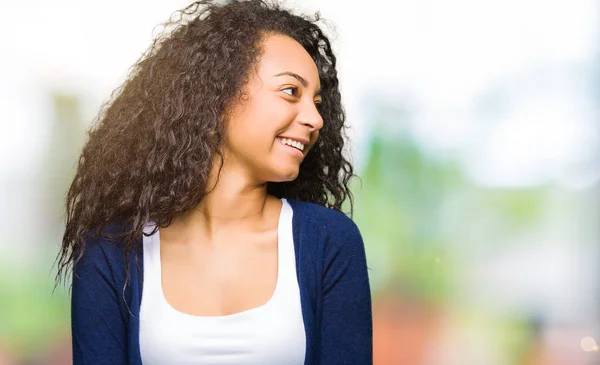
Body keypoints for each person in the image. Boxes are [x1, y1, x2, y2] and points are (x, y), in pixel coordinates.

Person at [55, 1, 372, 364]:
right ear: (217, 95)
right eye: (290, 91)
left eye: (317, 103)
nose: (315, 119)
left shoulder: (329, 243)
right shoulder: (111, 252)